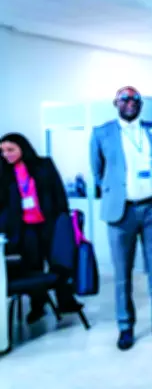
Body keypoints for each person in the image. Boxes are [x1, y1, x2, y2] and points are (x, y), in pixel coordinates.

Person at [89, 86, 152, 350]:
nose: (130, 102)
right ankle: (125, 327)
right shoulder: (102, 133)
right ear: (115, 103)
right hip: (121, 211)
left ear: (141, 104)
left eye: (135, 98)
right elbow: (97, 171)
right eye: (124, 98)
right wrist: (116, 191)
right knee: (122, 274)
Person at [0, 133, 83, 323]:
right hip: (24, 228)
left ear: (23, 148)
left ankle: (65, 301)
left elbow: (58, 192)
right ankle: (38, 305)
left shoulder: (44, 165)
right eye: (2, 151)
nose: (6, 154)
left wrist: (63, 219)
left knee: (59, 263)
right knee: (33, 266)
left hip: (49, 223)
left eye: (10, 150)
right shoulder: (4, 172)